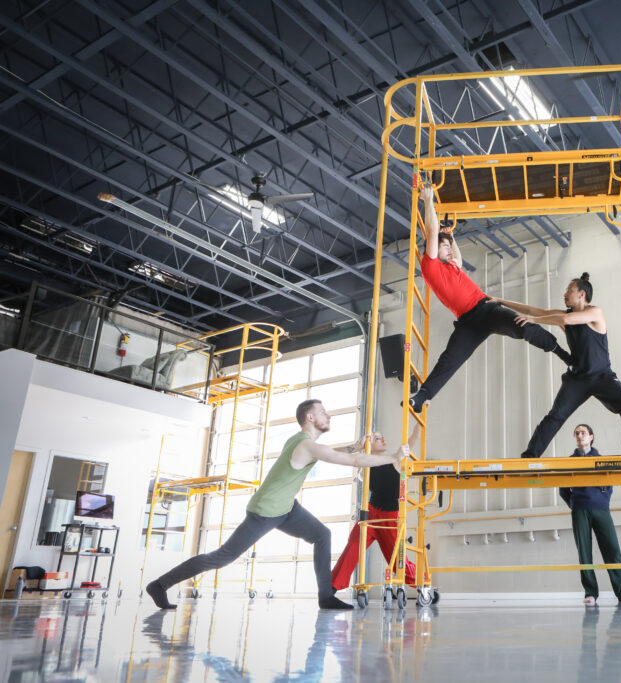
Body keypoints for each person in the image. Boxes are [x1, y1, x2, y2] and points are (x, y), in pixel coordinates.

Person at [146, 399, 404, 611]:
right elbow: (349, 461)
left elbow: (326, 451)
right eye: (323, 412)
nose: (329, 415)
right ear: (310, 418)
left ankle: (326, 597)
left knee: (321, 535)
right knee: (223, 556)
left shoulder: (300, 441)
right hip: (265, 512)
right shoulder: (305, 444)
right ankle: (160, 584)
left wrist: (353, 446)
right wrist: (392, 457)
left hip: (286, 509)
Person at [404, 183, 571, 411]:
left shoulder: (452, 265)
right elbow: (432, 232)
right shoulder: (430, 265)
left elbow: (458, 259)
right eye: (444, 247)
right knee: (450, 360)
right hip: (468, 323)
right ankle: (421, 397)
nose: (449, 249)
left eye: (449, 247)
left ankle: (561, 353)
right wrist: (428, 201)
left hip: (486, 309)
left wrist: (451, 238)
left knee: (521, 326)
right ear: (432, 250)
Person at [492, 273, 621, 459]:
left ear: (581, 294)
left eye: (569, 290)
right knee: (555, 416)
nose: (565, 294)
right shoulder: (563, 315)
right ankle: (530, 456)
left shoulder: (595, 313)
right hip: (577, 379)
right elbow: (533, 310)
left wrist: (534, 320)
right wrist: (500, 300)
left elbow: (563, 320)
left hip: (602, 376)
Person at [330, 423, 421, 592]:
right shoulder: (364, 464)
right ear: (369, 445)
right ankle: (333, 586)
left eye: (382, 437)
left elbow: (413, 439)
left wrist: (421, 415)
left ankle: (421, 583)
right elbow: (335, 454)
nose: (382, 439)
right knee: (352, 547)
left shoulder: (395, 458)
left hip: (390, 517)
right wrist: (359, 445)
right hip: (371, 513)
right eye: (377, 438)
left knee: (396, 561)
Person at [559, 424, 621, 605]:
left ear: (591, 437)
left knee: (612, 550)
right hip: (580, 510)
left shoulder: (601, 459)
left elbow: (609, 484)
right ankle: (590, 593)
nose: (579, 435)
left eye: (583, 433)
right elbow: (563, 489)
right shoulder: (569, 461)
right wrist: (574, 503)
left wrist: (602, 500)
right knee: (584, 554)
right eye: (576, 433)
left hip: (601, 509)